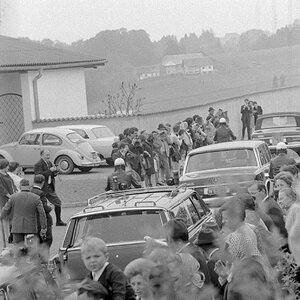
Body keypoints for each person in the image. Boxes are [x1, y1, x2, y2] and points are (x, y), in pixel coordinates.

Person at [0, 179, 47, 247]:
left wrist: (1, 216)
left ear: (20, 186)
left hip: (17, 227)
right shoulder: (36, 198)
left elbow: (6, 210)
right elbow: (42, 214)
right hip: (30, 227)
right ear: (29, 186)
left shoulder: (13, 197)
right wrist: (43, 228)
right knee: (32, 249)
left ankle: (20, 257)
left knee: (18, 250)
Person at [162, 218, 210, 285]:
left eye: (168, 240)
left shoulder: (185, 257)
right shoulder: (194, 249)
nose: (167, 244)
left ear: (179, 242)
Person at [34, 149, 66, 226]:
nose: (48, 156)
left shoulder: (49, 163)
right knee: (41, 205)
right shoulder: (38, 164)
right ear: (41, 155)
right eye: (46, 155)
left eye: (49, 154)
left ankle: (58, 221)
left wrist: (55, 171)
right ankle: (42, 222)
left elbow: (51, 174)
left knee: (58, 202)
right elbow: (39, 176)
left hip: (50, 187)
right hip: (42, 188)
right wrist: (50, 170)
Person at [31, 174, 53, 259]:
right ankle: (44, 259)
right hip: (43, 221)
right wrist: (50, 207)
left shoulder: (30, 191)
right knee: (47, 240)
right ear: (43, 182)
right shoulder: (41, 193)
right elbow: (44, 209)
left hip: (33, 221)